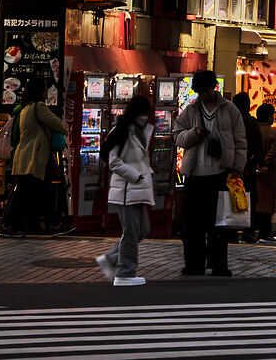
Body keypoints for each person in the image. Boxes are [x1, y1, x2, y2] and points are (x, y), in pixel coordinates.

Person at [171, 70, 244, 276]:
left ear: (214, 88)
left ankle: (219, 264)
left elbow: (240, 140)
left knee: (219, 223)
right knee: (192, 224)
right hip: (194, 174)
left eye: (206, 91)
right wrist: (194, 134)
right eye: (200, 92)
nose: (203, 95)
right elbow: (177, 136)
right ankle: (194, 264)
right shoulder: (191, 110)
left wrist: (237, 167)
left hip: (220, 173)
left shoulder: (229, 110)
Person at [97, 89, 158, 286]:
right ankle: (125, 272)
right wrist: (136, 175)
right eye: (144, 112)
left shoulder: (142, 132)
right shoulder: (121, 132)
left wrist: (145, 175)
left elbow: (138, 160)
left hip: (139, 188)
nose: (146, 117)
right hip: (126, 189)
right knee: (131, 232)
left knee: (142, 230)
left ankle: (111, 259)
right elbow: (113, 161)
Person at [4, 77, 69, 239]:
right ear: (41, 91)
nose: (47, 91)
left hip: (28, 158)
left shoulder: (26, 108)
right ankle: (7, 225)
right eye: (45, 88)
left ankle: (55, 224)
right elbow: (59, 125)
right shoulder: (39, 107)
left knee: (43, 192)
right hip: (32, 159)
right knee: (24, 193)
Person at [248, 102, 276, 243]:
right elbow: (273, 152)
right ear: (269, 117)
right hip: (268, 173)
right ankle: (265, 232)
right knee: (267, 204)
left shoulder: (253, 130)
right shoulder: (273, 133)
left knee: (255, 203)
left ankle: (251, 231)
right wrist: (263, 164)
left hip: (252, 172)